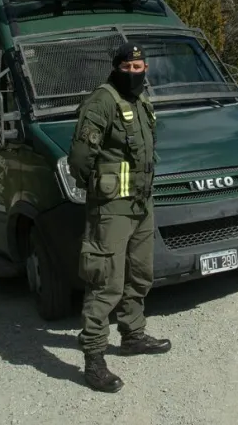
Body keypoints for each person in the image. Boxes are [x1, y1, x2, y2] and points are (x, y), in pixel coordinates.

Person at [67, 42, 171, 394]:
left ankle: (133, 335)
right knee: (105, 282)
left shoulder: (140, 101)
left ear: (145, 68)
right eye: (126, 68)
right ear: (116, 68)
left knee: (140, 273)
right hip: (111, 208)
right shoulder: (104, 100)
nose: (133, 73)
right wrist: (97, 190)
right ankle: (94, 359)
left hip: (142, 204)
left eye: (138, 67)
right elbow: (80, 158)